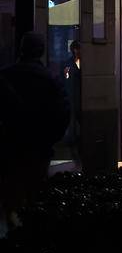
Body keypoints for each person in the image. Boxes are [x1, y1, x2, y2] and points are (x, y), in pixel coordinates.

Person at [0, 31, 70, 229]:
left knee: (11, 198)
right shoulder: (50, 79)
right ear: (40, 52)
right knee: (35, 196)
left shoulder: (6, 76)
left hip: (10, 148)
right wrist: (49, 139)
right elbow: (63, 112)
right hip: (39, 149)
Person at [62, 39, 82, 155]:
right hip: (72, 95)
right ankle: (72, 140)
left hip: (80, 96)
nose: (79, 51)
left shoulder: (84, 62)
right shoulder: (68, 63)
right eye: (77, 48)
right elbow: (66, 78)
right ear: (74, 50)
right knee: (72, 119)